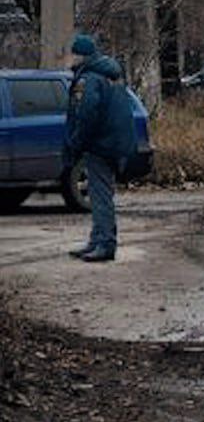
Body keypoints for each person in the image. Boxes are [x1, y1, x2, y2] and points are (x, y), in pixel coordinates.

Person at [63, 33, 136, 263]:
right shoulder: (111, 75)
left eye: (72, 53)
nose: (69, 58)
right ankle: (97, 240)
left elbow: (86, 115)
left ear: (80, 56)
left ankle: (104, 244)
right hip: (115, 143)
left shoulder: (90, 79)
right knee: (100, 192)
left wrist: (76, 143)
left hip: (101, 145)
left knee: (100, 194)